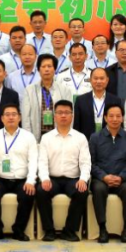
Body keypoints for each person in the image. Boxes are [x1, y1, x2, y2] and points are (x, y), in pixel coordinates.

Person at [36, 100, 91, 242]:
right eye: (60, 112)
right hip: (52, 179)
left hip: (72, 179)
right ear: (54, 116)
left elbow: (85, 163)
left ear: (72, 115)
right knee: (41, 191)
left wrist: (83, 180)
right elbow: (42, 162)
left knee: (82, 191)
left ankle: (69, 230)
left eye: (67, 112)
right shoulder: (46, 138)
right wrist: (44, 178)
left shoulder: (80, 138)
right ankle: (49, 230)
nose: (63, 116)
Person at [0, 104, 37, 242]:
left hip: (22, 179)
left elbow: (33, 161)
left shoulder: (28, 137)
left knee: (28, 194)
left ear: (19, 117)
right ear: (2, 118)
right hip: (1, 179)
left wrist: (30, 181)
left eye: (14, 114)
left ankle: (19, 230)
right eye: (7, 114)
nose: (11, 117)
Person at [88, 105, 126, 243]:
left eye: (118, 116)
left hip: (122, 180)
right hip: (101, 179)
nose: (115, 119)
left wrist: (121, 177)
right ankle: (102, 229)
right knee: (98, 189)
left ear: (122, 118)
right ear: (105, 118)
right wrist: (104, 176)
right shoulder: (95, 138)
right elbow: (91, 163)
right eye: (111, 116)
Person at [22, 54, 73, 141]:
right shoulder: (29, 90)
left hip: (59, 136)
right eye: (43, 66)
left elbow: (70, 116)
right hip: (36, 137)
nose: (46, 69)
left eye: (49, 66)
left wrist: (66, 136)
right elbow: (26, 118)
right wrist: (29, 140)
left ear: (54, 69)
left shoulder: (65, 90)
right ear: (38, 70)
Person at [73, 68, 121, 140]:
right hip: (86, 141)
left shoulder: (115, 100)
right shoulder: (81, 100)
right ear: (90, 80)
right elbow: (77, 126)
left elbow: (119, 125)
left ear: (107, 80)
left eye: (102, 78)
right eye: (95, 78)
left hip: (109, 141)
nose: (98, 81)